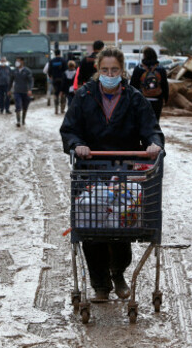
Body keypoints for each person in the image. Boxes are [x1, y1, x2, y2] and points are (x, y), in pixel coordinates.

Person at [60, 46, 164, 301]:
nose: (109, 74)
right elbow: (69, 129)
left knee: (122, 225)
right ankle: (100, 285)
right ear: (98, 70)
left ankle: (117, 273)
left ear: (122, 71)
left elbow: (151, 129)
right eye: (105, 70)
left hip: (125, 172)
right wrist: (77, 145)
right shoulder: (84, 96)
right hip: (91, 171)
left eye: (114, 70)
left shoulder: (134, 98)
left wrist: (153, 144)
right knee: (92, 226)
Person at [130, 47, 169, 123]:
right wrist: (165, 98)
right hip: (157, 100)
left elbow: (133, 86)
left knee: (141, 122)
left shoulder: (139, 68)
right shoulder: (161, 69)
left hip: (142, 100)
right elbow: (165, 85)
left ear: (144, 56)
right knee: (155, 122)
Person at [8, 57, 34, 127]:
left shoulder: (27, 71)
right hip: (17, 91)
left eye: (18, 61)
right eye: (16, 61)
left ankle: (23, 120)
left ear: (22, 62)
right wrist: (9, 90)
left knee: (25, 106)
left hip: (25, 92)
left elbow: (30, 81)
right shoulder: (14, 71)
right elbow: (11, 81)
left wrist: (30, 89)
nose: (17, 62)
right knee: (18, 105)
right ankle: (18, 121)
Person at [48, 50, 67, 114]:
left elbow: (49, 71)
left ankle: (56, 109)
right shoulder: (63, 60)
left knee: (56, 94)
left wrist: (51, 76)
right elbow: (66, 70)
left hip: (55, 79)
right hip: (63, 79)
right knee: (63, 93)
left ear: (54, 54)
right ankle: (62, 109)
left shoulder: (52, 61)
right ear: (60, 53)